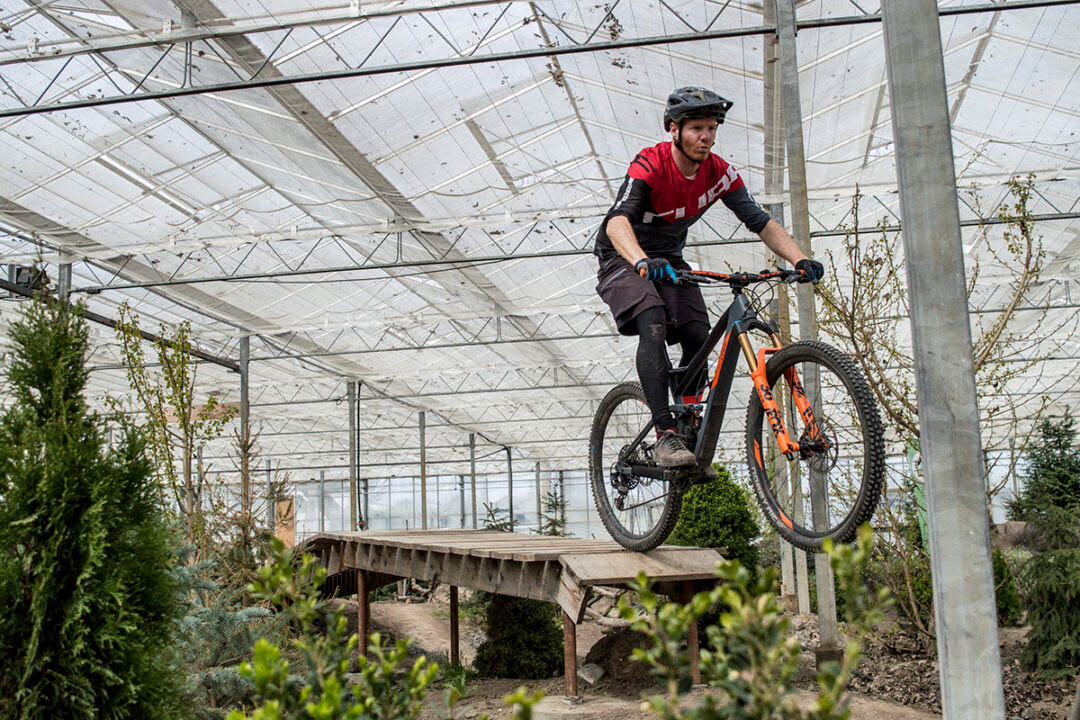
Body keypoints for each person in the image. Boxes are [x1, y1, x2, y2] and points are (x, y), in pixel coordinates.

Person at [593, 87, 824, 469]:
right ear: (674, 129)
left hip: (669, 260)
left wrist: (800, 258)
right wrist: (639, 260)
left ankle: (686, 414)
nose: (706, 137)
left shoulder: (719, 173)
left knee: (698, 333)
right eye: (697, 128)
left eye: (712, 128)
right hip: (622, 257)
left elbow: (760, 221)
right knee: (652, 317)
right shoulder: (649, 165)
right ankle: (665, 433)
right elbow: (617, 221)